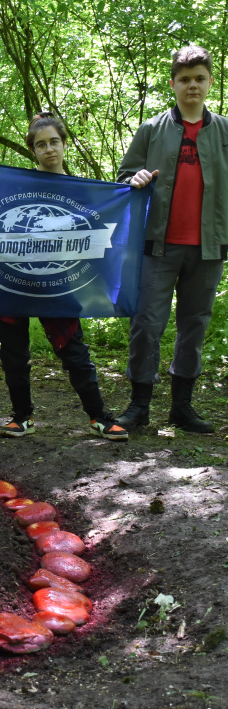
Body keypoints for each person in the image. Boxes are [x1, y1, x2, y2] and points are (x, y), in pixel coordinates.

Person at [0, 112, 149, 441]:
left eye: (54, 142)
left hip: (59, 282)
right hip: (15, 280)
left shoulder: (83, 190)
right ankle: (22, 417)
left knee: (73, 348)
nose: (49, 149)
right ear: (33, 150)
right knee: (13, 352)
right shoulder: (19, 186)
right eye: (41, 144)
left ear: (64, 144)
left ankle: (99, 417)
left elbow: (109, 222)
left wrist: (133, 189)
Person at [115, 45, 228, 433]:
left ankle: (183, 407)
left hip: (209, 248)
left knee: (194, 325)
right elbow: (124, 174)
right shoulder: (152, 129)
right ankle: (139, 406)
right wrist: (135, 179)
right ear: (173, 84)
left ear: (210, 82)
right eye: (185, 79)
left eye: (199, 78)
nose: (192, 85)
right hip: (157, 245)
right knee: (147, 324)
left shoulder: (225, 130)